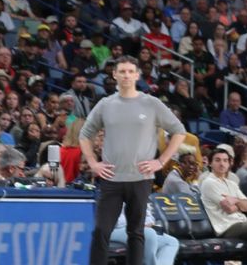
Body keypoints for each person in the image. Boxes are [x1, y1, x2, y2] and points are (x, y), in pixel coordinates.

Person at [80, 57, 186, 265]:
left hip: (141, 177)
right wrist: (93, 162)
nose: (126, 75)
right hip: (112, 178)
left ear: (137, 75)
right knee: (101, 230)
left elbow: (179, 131)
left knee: (137, 233)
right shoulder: (105, 104)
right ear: (114, 74)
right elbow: (85, 134)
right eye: (122, 71)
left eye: (130, 71)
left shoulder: (151, 103)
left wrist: (161, 160)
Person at [110, 204, 179, 265]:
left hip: (138, 229)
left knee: (171, 242)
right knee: (149, 233)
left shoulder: (139, 193)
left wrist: (146, 223)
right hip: (113, 229)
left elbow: (150, 217)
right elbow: (116, 221)